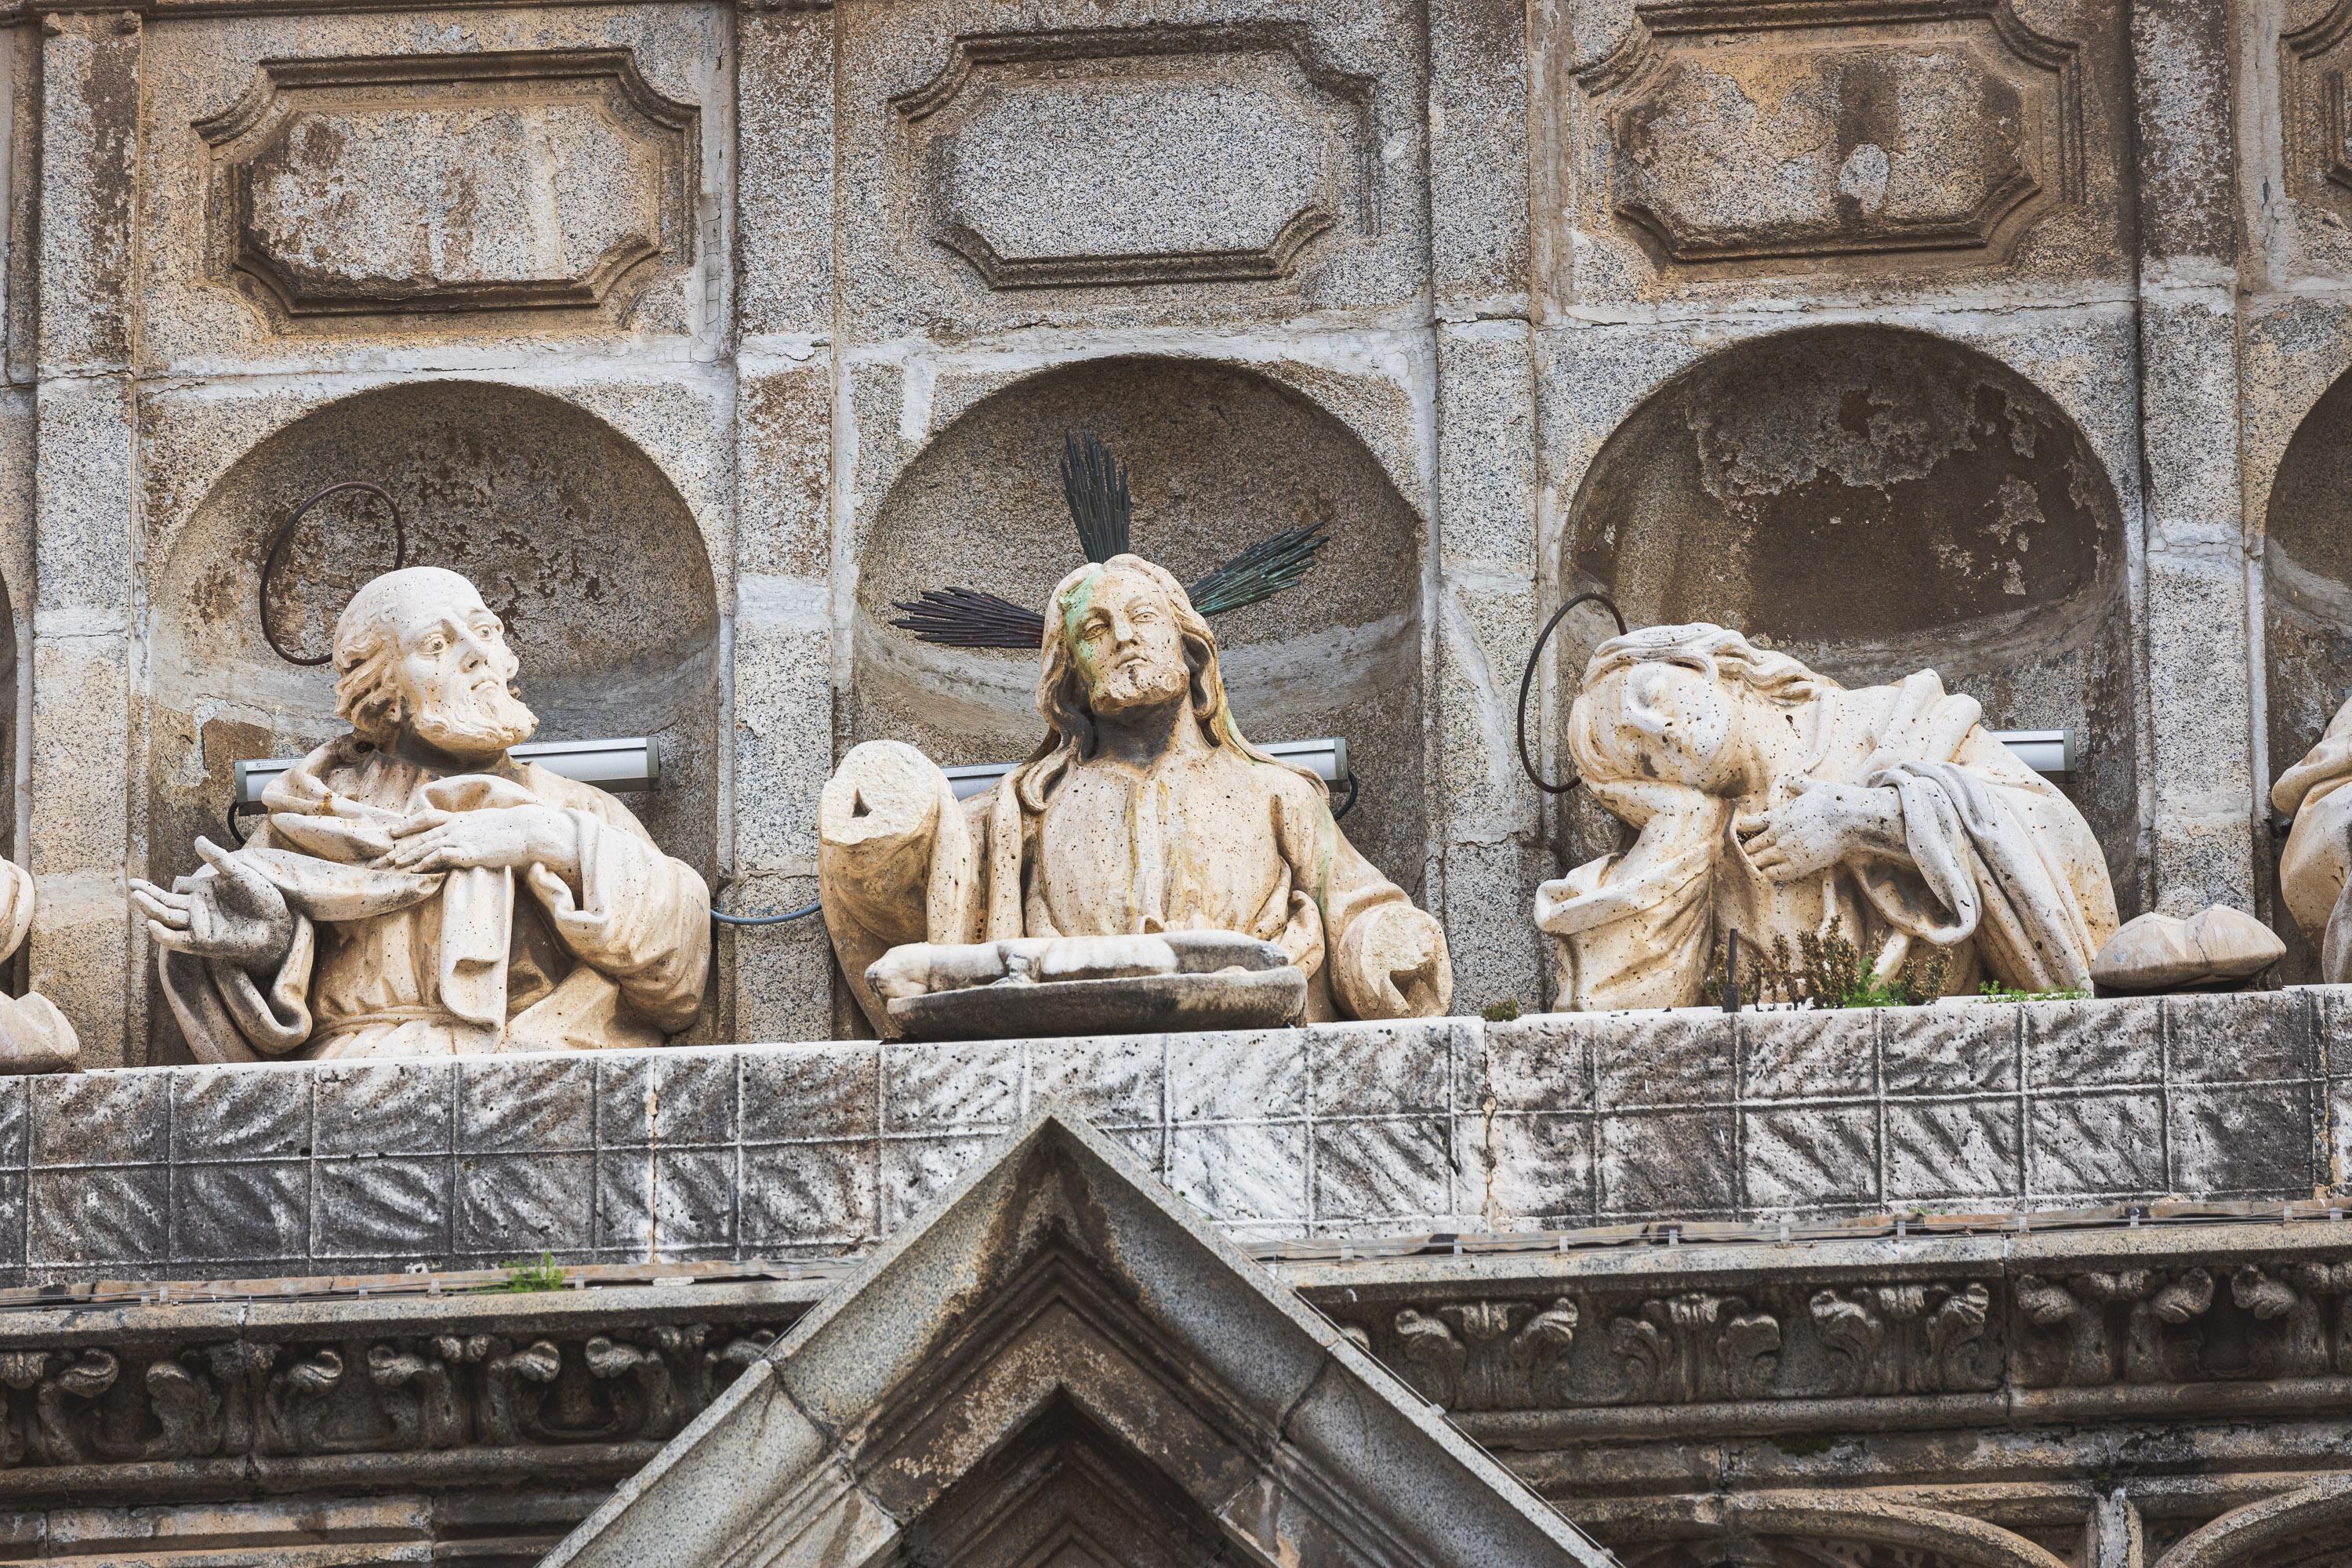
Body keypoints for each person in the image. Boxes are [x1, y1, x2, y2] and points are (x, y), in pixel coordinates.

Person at [820, 554, 1449, 1033]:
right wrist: (890, 815)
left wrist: (1388, 941)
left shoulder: (1277, 794)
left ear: (1187, 644)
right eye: (1096, 629)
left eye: (1143, 617)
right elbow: (911, 901)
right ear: (1071, 673)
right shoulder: (1022, 813)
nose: (1123, 636)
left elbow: (1356, 908)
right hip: (1064, 1049)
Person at [133, 567, 710, 1061]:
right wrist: (265, 947)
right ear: (384, 691)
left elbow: (678, 982)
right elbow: (257, 985)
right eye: (438, 645)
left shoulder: (573, 808)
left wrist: (546, 837)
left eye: (484, 632)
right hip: (349, 1082)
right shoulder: (309, 816)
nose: (477, 653)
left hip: (539, 1068)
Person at [1535, 623, 2117, 1011]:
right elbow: (1623, 1020)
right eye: (1644, 759)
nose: (1661, 731)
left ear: (1701, 661)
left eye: (1648, 695)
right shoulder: (1699, 851)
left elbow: (2050, 836)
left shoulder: (1891, 721)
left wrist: (1862, 819)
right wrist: (1670, 823)